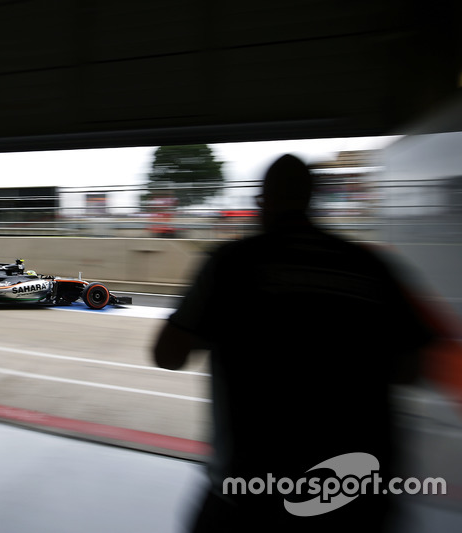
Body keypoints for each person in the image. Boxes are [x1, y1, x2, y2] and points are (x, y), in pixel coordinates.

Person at [153, 154, 435, 532]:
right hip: (355, 493)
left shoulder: (233, 262)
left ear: (262, 202)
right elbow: (412, 370)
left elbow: (167, 354)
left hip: (252, 492)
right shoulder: (370, 264)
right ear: (311, 200)